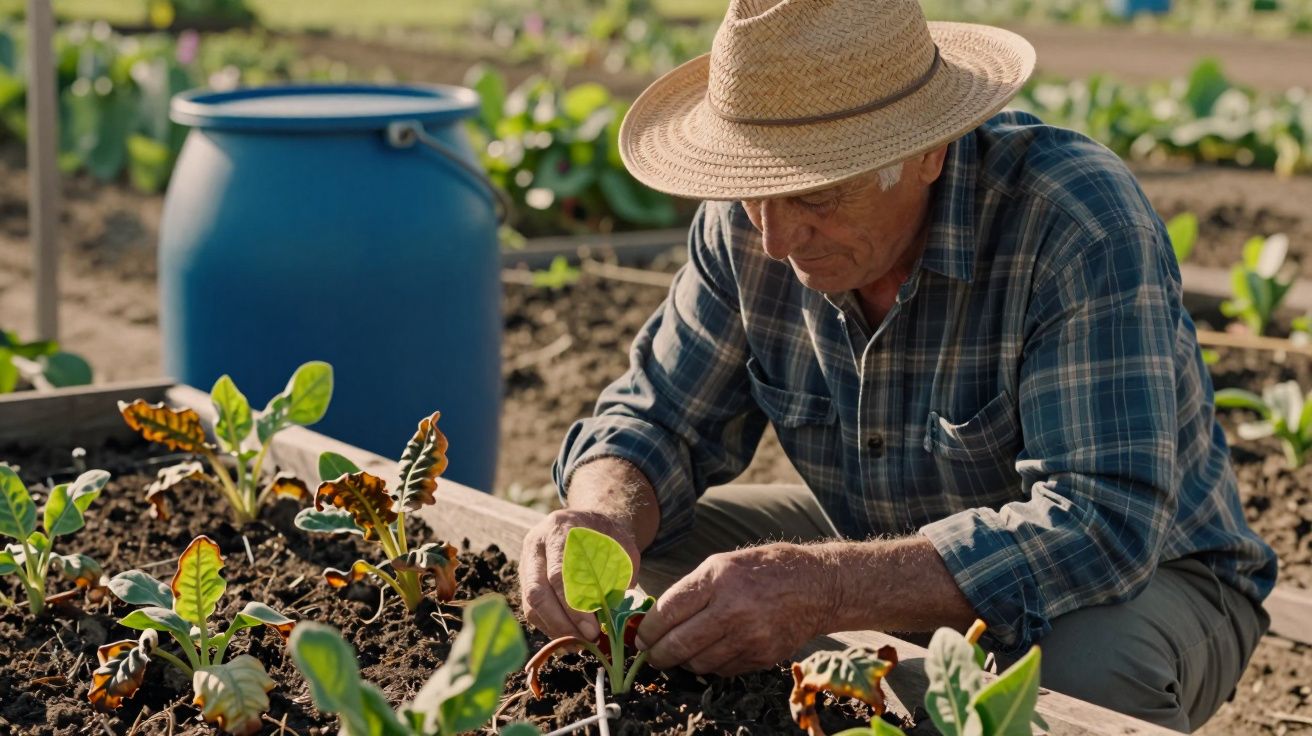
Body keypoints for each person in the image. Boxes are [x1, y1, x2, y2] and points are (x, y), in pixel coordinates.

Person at [518, 0, 1277, 729]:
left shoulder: (1071, 218)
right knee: (655, 567)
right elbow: (655, 420)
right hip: (885, 541)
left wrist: (825, 588)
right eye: (758, 195)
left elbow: (1101, 525)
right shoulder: (747, 222)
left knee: (1074, 682)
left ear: (927, 151)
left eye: (818, 194)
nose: (777, 238)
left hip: (1154, 577)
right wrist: (600, 516)